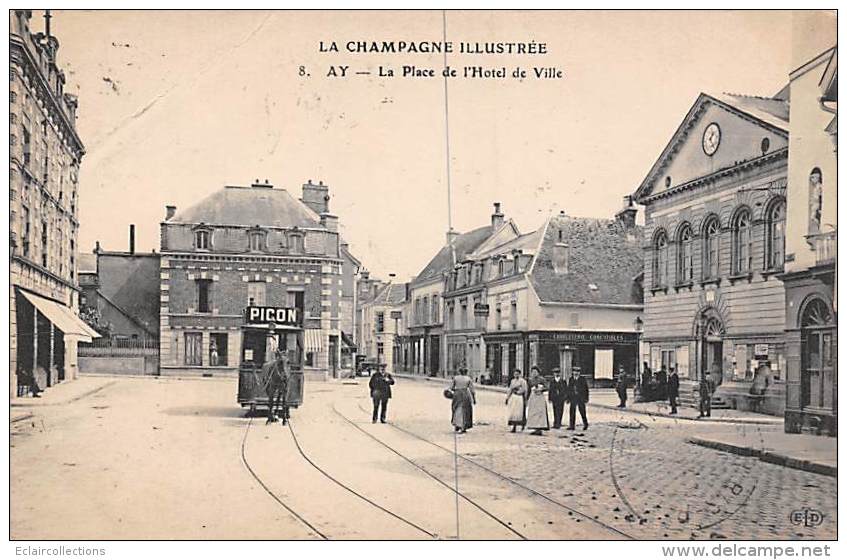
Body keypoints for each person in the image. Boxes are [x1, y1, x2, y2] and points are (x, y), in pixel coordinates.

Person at [450, 368, 476, 433]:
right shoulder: (468, 379)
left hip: (457, 394)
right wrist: (474, 399)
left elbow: (452, 388)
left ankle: (457, 424)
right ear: (466, 372)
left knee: (456, 408)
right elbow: (472, 390)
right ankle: (463, 425)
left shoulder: (456, 378)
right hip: (465, 394)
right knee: (465, 410)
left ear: (459, 372)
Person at [526, 366, 550, 435]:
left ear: (538, 373)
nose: (534, 373)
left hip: (540, 397)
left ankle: (540, 428)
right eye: (533, 372)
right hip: (533, 397)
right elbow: (528, 389)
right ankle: (534, 427)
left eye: (535, 372)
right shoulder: (530, 380)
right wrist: (527, 399)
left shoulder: (542, 379)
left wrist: (541, 389)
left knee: (540, 412)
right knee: (533, 412)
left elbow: (547, 387)